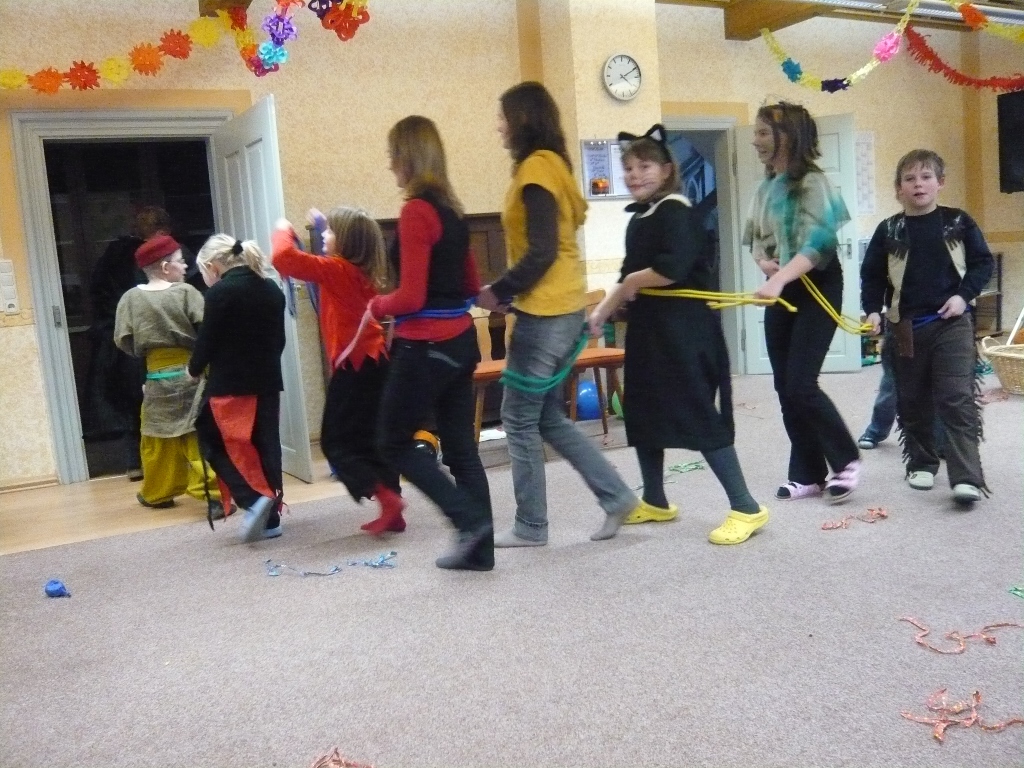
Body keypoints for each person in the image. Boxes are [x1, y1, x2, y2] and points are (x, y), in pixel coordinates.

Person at [476, 81, 640, 546]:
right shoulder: (555, 166)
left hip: (546, 314)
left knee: (517, 417)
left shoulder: (536, 169)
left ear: (522, 119)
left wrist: (498, 291)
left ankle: (531, 526)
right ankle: (616, 496)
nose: (498, 126)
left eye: (503, 117)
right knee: (546, 417)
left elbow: (542, 251)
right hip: (564, 308)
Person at [588, 124, 768, 545]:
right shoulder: (641, 218)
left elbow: (670, 270)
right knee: (643, 411)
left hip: (684, 332)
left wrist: (634, 282)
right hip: (650, 330)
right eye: (628, 168)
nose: (635, 175)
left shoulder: (677, 212)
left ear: (667, 169)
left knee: (697, 412)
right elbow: (626, 277)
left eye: (645, 166)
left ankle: (746, 506)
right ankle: (655, 499)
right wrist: (600, 312)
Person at [369, 115, 494, 571]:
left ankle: (467, 521)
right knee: (461, 450)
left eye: (392, 155)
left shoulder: (416, 212)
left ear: (408, 156)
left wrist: (376, 305)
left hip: (424, 348)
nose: (389, 165)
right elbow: (471, 286)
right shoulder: (453, 212)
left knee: (392, 442)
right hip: (460, 343)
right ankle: (480, 552)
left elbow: (411, 298)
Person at [860, 149, 992, 503]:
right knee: (913, 398)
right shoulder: (889, 229)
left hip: (952, 323)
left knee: (956, 398)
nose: (918, 184)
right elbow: (872, 276)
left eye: (926, 177)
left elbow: (982, 263)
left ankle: (967, 477)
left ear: (940, 183)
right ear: (898, 188)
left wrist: (963, 296)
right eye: (909, 179)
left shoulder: (957, 221)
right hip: (905, 327)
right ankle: (921, 463)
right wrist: (872, 310)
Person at [746, 101, 861, 505]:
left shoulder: (814, 182)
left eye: (763, 132)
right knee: (785, 387)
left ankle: (846, 460)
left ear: (788, 136)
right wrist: (765, 264)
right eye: (756, 132)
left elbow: (818, 246)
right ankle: (808, 474)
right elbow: (755, 241)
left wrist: (778, 278)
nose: (755, 140)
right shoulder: (765, 188)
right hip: (784, 287)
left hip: (818, 286)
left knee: (801, 383)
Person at [271, 207, 405, 534]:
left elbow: (284, 259)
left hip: (355, 367)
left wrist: (283, 229)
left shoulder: (337, 269)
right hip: (376, 363)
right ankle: (393, 509)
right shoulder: (358, 270)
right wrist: (321, 224)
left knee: (336, 443)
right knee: (371, 439)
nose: (324, 237)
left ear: (345, 241)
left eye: (330, 233)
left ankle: (386, 498)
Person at [113, 234, 224, 518]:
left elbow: (124, 341)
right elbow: (207, 330)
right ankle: (214, 495)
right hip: (191, 372)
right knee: (194, 432)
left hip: (155, 377)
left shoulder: (130, 299)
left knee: (157, 435)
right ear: (165, 267)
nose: (186, 266)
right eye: (180, 261)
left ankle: (158, 493)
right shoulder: (186, 293)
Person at [189, 235, 287, 542]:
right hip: (267, 381)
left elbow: (208, 340)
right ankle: (271, 518)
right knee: (265, 446)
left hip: (230, 383)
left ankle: (254, 499)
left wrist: (193, 368)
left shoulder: (220, 293)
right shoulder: (272, 288)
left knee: (214, 440)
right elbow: (279, 341)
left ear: (213, 267)